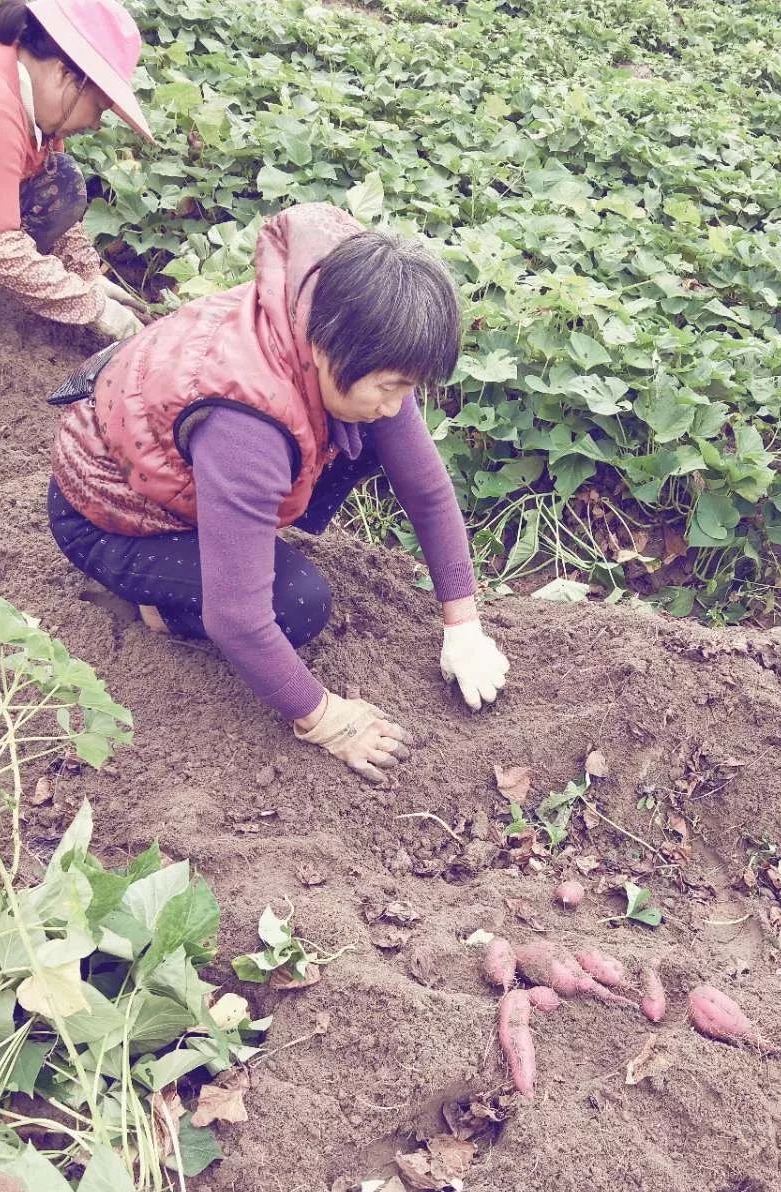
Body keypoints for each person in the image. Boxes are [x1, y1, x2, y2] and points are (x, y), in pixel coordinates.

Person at [47, 202, 510, 783]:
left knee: (372, 437)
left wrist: (462, 624)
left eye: (407, 387)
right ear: (328, 347)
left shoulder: (340, 327)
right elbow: (237, 619)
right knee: (294, 604)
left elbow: (427, 488)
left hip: (178, 470)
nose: (396, 404)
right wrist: (326, 719)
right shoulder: (248, 425)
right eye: (390, 387)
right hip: (111, 515)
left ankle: (234, 531)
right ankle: (152, 603)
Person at [0, 0, 152, 389]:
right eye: (99, 107)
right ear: (63, 75)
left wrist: (87, 275)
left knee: (61, 180)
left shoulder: (27, 103)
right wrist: (93, 308)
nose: (95, 124)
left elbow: (47, 187)